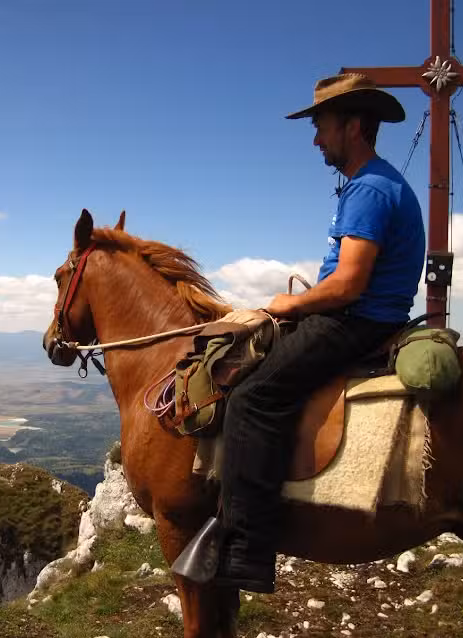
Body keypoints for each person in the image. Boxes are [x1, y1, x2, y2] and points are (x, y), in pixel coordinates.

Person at [172, 73, 426, 593]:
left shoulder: (371, 188)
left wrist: (291, 303)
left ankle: (248, 547)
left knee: (253, 399)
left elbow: (350, 284)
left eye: (322, 126)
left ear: (353, 126)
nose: (315, 139)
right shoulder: (369, 184)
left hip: (355, 320)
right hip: (361, 315)